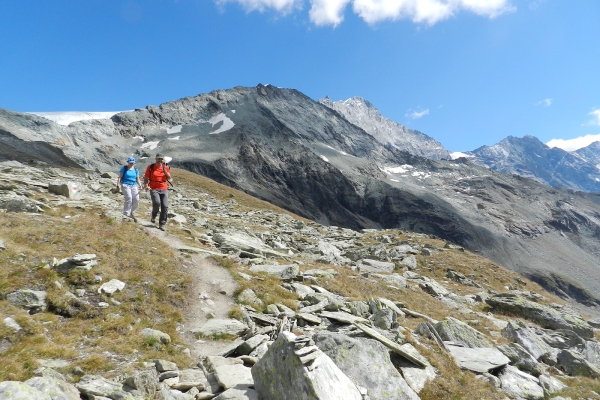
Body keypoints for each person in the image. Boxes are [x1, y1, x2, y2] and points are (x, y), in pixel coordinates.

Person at [144, 153, 171, 231]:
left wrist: (165, 171)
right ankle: (154, 215)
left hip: (164, 187)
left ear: (163, 160)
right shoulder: (151, 167)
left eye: (161, 159)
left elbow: (169, 177)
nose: (160, 160)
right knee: (156, 203)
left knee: (165, 206)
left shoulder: (165, 167)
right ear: (155, 159)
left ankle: (162, 224)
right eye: (158, 158)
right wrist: (146, 185)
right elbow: (146, 177)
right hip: (153, 188)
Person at [117, 156, 142, 222]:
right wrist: (118, 184)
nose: (131, 164)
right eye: (130, 163)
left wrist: (140, 185)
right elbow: (120, 177)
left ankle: (131, 211)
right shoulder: (124, 168)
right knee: (129, 198)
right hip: (125, 184)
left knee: (136, 199)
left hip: (133, 185)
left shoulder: (136, 170)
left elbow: (137, 179)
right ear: (128, 162)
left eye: (133, 163)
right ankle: (126, 213)